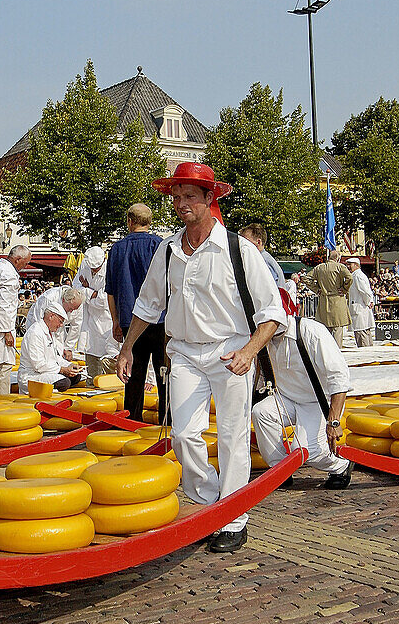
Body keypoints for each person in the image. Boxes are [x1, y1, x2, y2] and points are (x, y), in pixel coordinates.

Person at [117, 162, 284, 554]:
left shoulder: (238, 249)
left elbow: (272, 312)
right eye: (176, 197)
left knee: (231, 435)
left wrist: (249, 351)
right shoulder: (168, 249)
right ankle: (214, 505)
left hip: (231, 351)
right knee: (184, 435)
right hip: (185, 353)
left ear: (210, 199)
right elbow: (148, 303)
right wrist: (127, 347)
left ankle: (234, 518)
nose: (181, 204)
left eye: (190, 196)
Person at [252, 311, 354, 489]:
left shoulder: (312, 331)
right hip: (286, 398)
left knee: (306, 451)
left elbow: (338, 376)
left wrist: (334, 420)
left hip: (317, 401)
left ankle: (340, 466)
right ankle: (280, 469)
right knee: (261, 413)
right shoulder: (263, 337)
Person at [106, 203, 168, 424]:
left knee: (133, 374)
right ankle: (167, 422)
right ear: (150, 222)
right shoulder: (160, 246)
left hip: (129, 319)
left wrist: (115, 320)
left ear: (129, 221)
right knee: (164, 373)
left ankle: (132, 420)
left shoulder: (116, 250)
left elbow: (111, 291)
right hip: (160, 320)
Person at [0, 246, 30, 395]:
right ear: (18, 259)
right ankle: (2, 404)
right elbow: (5, 306)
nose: (24, 267)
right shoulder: (8, 274)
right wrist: (7, 331)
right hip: (1, 327)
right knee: (3, 366)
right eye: (25, 263)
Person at [17, 301, 83, 393]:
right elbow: (39, 365)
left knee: (76, 376)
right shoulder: (35, 333)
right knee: (64, 382)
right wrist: (62, 370)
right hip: (32, 375)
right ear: (51, 316)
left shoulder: (50, 333)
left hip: (46, 372)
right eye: (60, 322)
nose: (60, 325)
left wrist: (70, 365)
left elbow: (56, 358)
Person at [73, 246, 117, 379]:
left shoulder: (111, 270)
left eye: (96, 268)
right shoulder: (84, 265)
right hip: (89, 319)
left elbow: (103, 301)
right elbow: (76, 289)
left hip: (106, 320)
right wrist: (93, 293)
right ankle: (91, 382)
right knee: (90, 354)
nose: (93, 270)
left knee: (108, 355)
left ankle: (111, 383)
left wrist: (87, 290)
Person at [303, 249, 352, 347]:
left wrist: (317, 289)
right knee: (337, 329)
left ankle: (327, 351)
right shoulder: (340, 267)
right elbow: (350, 278)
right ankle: (338, 352)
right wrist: (344, 289)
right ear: (338, 258)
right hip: (337, 299)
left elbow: (306, 278)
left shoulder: (319, 268)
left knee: (325, 330)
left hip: (324, 300)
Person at [25, 286, 85, 356]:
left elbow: (76, 326)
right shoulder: (48, 298)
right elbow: (38, 322)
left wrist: (68, 348)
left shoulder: (78, 304)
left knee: (59, 356)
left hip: (59, 331)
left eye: (74, 309)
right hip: (38, 327)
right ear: (63, 300)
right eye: (70, 308)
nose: (71, 311)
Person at [346, 258, 375, 347]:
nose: (348, 267)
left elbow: (365, 291)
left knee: (361, 333)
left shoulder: (357, 276)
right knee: (363, 332)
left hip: (360, 307)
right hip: (360, 307)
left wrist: (368, 302)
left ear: (356, 265)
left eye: (350, 265)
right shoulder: (356, 275)